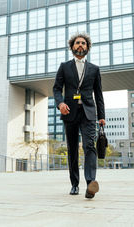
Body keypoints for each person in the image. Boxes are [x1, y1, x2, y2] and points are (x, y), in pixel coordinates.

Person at [53, 33, 106, 199]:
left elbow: (98, 94)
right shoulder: (64, 66)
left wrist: (101, 116)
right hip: (69, 112)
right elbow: (56, 88)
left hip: (89, 113)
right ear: (72, 47)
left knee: (89, 145)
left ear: (88, 48)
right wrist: (60, 103)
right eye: (77, 43)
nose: (80, 45)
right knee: (73, 149)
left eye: (83, 43)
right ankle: (74, 184)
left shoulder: (94, 69)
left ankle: (91, 183)